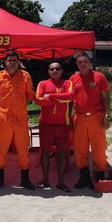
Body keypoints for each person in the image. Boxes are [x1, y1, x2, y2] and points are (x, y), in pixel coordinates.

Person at [0, 51, 35, 190]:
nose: (12, 62)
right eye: (9, 60)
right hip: (4, 118)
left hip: (20, 118)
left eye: (15, 60)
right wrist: (6, 108)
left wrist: (18, 107)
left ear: (18, 61)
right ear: (5, 62)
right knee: (1, 149)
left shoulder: (26, 76)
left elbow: (30, 96)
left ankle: (25, 180)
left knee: (23, 150)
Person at [70, 52, 110, 189]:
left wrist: (107, 115)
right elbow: (70, 99)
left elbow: (106, 97)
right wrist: (69, 117)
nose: (82, 64)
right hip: (79, 117)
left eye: (85, 61)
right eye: (80, 62)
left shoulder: (99, 77)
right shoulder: (73, 78)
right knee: (80, 149)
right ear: (77, 64)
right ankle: (84, 177)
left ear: (90, 62)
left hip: (96, 116)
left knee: (98, 148)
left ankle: (99, 177)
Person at [35, 62, 74, 192]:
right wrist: (61, 99)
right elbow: (38, 100)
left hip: (63, 124)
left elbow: (71, 96)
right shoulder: (43, 83)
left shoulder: (68, 83)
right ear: (48, 71)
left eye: (57, 68)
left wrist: (50, 96)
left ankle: (61, 182)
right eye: (52, 69)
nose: (55, 70)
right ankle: (45, 180)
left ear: (62, 71)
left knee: (63, 153)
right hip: (46, 124)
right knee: (45, 152)